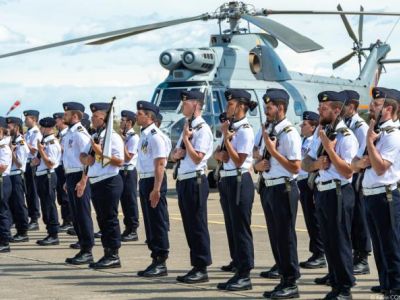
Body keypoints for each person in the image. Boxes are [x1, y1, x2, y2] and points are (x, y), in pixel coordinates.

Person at [302, 91, 358, 299]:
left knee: (340, 240)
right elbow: (306, 163)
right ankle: (335, 281)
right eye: (319, 108)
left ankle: (345, 288)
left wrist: (329, 150)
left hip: (339, 191)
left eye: (323, 108)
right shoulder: (323, 132)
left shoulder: (346, 136)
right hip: (324, 191)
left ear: (336, 110)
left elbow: (348, 171)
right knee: (328, 240)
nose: (319, 111)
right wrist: (317, 163)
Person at [351, 87, 400, 297]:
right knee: (379, 246)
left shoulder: (392, 134)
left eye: (377, 104)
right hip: (371, 194)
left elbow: (380, 167)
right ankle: (386, 283)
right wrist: (366, 157)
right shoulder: (375, 130)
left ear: (389, 109)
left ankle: (397, 287)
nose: (372, 107)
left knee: (391, 245)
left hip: (386, 195)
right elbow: (354, 163)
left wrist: (370, 144)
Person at [253, 88, 302, 299]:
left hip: (284, 188)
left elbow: (296, 167)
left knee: (286, 237)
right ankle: (283, 277)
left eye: (269, 107)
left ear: (280, 107)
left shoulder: (289, 132)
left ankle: (291, 281)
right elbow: (257, 153)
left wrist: (273, 153)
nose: (266, 110)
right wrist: (258, 164)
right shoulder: (268, 129)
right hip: (269, 186)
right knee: (275, 237)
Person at [214, 89, 257, 291]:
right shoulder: (231, 127)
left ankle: (245, 273)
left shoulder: (245, 129)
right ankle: (237, 265)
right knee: (232, 227)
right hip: (228, 180)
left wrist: (226, 140)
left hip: (240, 180)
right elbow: (218, 154)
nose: (227, 108)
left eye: (230, 105)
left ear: (241, 106)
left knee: (240, 228)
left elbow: (239, 160)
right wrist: (225, 144)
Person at [171, 91, 213, 284]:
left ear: (196, 105)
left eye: (185, 102)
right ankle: (195, 264)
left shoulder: (202, 129)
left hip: (195, 181)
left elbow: (197, 157)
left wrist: (187, 141)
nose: (183, 105)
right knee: (190, 225)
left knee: (197, 225)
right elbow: (175, 154)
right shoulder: (188, 126)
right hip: (184, 180)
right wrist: (176, 154)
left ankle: (201, 267)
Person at [80, 102, 124, 269]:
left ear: (104, 117)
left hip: (109, 181)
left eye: (95, 116)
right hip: (96, 181)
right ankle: (107, 252)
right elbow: (83, 155)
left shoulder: (113, 136)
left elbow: (120, 161)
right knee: (102, 219)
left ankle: (113, 254)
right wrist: (87, 159)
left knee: (110, 219)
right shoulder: (95, 136)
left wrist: (99, 153)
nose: (92, 119)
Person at [136, 101, 170, 277]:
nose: (137, 115)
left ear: (149, 116)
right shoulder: (144, 135)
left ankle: (161, 261)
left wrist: (156, 189)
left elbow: (160, 164)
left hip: (153, 181)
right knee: (150, 222)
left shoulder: (155, 136)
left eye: (140, 113)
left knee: (157, 221)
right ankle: (154, 257)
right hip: (145, 180)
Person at [342, 90, 371, 275]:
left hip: (358, 176)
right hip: (349, 175)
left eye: (343, 105)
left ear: (351, 107)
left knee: (360, 218)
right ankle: (355, 253)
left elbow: (363, 154)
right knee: (351, 219)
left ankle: (363, 258)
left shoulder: (360, 127)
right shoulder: (345, 124)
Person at [62, 102, 95, 265]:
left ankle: (87, 250)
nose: (63, 116)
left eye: (66, 114)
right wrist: (68, 179)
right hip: (71, 175)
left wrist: (83, 180)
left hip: (80, 176)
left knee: (82, 214)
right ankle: (82, 246)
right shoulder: (69, 133)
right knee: (76, 214)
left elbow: (87, 160)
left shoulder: (81, 134)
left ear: (75, 116)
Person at [297, 111, 326, 270]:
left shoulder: (312, 141)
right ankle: (316, 252)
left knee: (314, 219)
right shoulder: (305, 140)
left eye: (305, 124)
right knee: (309, 219)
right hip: (302, 182)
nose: (301, 126)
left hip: (310, 183)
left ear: (313, 126)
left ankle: (320, 253)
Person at [33, 117, 61, 246]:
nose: (40, 129)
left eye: (42, 127)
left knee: (49, 205)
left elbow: (51, 163)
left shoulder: (52, 143)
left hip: (48, 176)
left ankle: (53, 234)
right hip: (41, 175)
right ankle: (50, 232)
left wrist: (41, 151)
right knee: (45, 205)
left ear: (48, 128)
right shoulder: (45, 141)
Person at [6, 117, 30, 243]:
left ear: (16, 127)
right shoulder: (11, 140)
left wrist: (11, 151)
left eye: (10, 126)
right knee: (10, 204)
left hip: (16, 175)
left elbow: (20, 164)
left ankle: (23, 231)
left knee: (19, 204)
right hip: (9, 175)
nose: (8, 128)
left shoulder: (21, 142)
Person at [119, 110, 140, 242]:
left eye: (123, 120)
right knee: (124, 202)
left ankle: (133, 230)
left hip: (128, 171)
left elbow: (128, 157)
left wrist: (121, 142)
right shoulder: (125, 136)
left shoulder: (133, 138)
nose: (121, 122)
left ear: (129, 123)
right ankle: (127, 228)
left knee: (130, 201)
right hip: (121, 171)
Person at [53, 112, 73, 232]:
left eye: (57, 120)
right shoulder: (60, 135)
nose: (56, 123)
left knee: (65, 196)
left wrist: (58, 146)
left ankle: (69, 220)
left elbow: (68, 151)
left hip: (65, 167)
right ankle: (65, 219)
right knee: (61, 196)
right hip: (59, 166)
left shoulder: (67, 135)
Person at [23, 110, 42, 230]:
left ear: (34, 120)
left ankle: (34, 219)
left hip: (32, 164)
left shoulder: (36, 133)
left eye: (27, 118)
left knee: (33, 192)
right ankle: (31, 217)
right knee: (28, 192)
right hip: (25, 164)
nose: (25, 120)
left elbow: (35, 150)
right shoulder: (28, 133)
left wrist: (24, 142)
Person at [0, 117, 13, 252]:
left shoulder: (3, 147)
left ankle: (4, 242)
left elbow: (2, 167)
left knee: (2, 212)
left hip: (3, 180)